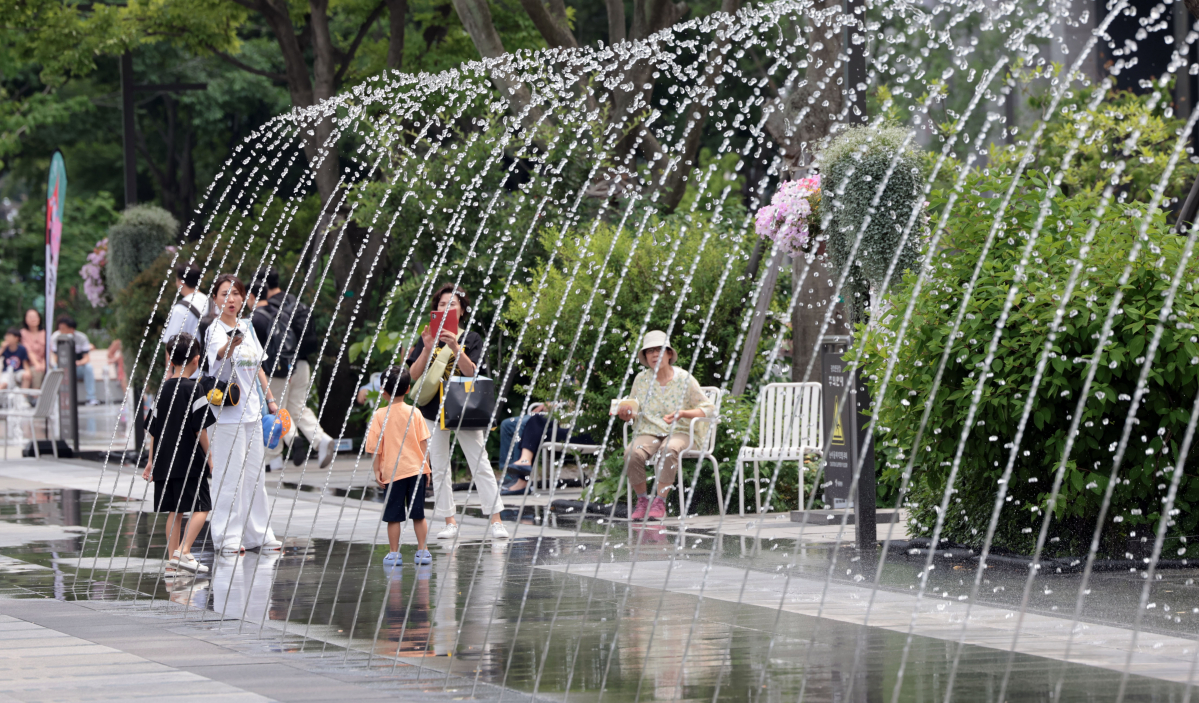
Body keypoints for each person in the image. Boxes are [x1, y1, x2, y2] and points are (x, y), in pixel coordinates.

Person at [406, 283, 508, 540]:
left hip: (464, 407)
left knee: (479, 462)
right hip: (432, 408)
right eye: (441, 305)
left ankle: (496, 519)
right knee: (438, 466)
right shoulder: (427, 336)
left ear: (462, 310)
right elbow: (411, 376)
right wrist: (428, 348)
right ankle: (449, 521)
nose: (445, 308)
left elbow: (472, 372)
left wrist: (454, 346)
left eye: (451, 304)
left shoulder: (470, 338)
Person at [204, 273, 282, 555]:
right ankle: (226, 536)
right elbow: (217, 356)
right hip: (226, 414)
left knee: (254, 476)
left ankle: (258, 534)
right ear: (215, 299)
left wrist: (270, 400)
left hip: (251, 412)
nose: (231, 299)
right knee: (229, 475)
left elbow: (259, 366)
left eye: (236, 293)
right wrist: (230, 346)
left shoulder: (246, 327)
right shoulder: (213, 330)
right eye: (225, 294)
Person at [617, 330, 715, 521]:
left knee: (668, 449)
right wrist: (626, 414)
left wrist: (683, 414)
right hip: (650, 431)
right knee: (632, 452)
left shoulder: (684, 378)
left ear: (669, 354)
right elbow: (633, 409)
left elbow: (709, 408)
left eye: (660, 350)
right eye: (650, 351)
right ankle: (643, 501)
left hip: (681, 431)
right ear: (645, 356)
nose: (655, 355)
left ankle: (660, 501)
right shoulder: (641, 380)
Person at [247, 267, 335, 472]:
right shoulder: (293, 301)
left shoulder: (266, 309)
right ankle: (320, 439)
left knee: (275, 408)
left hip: (279, 368)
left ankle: (275, 456)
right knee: (296, 407)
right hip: (299, 363)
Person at [142, 333, 214, 574]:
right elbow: (199, 428)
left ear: (170, 359)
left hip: (164, 461)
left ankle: (172, 563)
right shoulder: (195, 389)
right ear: (196, 359)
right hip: (189, 461)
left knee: (175, 509)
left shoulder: (161, 390)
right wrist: (209, 454)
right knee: (202, 506)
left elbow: (153, 429)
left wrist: (151, 461)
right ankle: (183, 551)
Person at [364, 366, 432, 568]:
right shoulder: (415, 413)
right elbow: (423, 443)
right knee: (418, 514)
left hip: (393, 473)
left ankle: (394, 554)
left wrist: (377, 470)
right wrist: (426, 467)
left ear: (383, 390)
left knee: (393, 516)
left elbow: (376, 447)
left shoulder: (379, 415)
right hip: (416, 470)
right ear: (408, 388)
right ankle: (423, 550)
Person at [498, 404, 594, 496]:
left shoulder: (592, 391)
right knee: (536, 420)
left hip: (587, 432)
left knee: (536, 426)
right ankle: (522, 466)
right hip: (567, 426)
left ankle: (521, 478)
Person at [50, 316, 99, 405]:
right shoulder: (56, 337)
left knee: (88, 368)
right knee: (55, 369)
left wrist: (78, 363)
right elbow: (56, 358)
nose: (60, 331)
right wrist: (67, 364)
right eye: (60, 328)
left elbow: (86, 358)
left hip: (77, 367)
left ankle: (91, 398)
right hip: (63, 367)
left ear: (71, 329)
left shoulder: (81, 337)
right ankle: (57, 399)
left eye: (63, 329)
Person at [162, 264, 210, 342]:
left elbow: (171, 344)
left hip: (191, 353)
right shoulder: (211, 302)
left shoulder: (181, 308)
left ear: (181, 282)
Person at [20, 309, 45, 390]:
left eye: (35, 316)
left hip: (44, 362)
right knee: (36, 370)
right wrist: (37, 364)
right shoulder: (23, 333)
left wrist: (44, 363)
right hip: (28, 364)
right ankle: (35, 394)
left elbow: (48, 351)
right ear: (25, 320)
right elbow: (28, 351)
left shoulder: (44, 333)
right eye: (30, 317)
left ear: (39, 318)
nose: (33, 319)